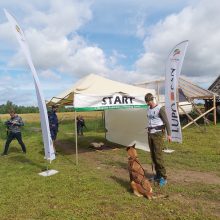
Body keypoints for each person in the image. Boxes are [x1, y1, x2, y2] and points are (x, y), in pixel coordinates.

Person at [145, 93, 171, 187]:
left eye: (149, 102)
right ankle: (157, 175)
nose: (148, 104)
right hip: (150, 134)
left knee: (158, 156)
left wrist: (169, 134)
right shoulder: (148, 109)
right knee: (153, 155)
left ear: (152, 100)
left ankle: (163, 177)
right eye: (147, 102)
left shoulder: (160, 108)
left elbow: (166, 121)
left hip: (158, 134)